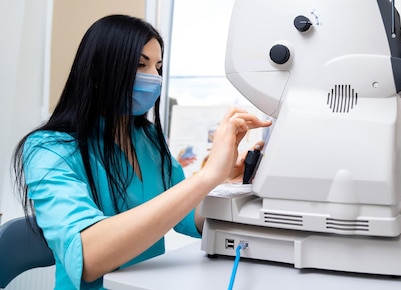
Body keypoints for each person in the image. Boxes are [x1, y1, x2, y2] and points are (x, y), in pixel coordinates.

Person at [11, 14, 271, 289]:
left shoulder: (148, 138)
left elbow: (187, 217)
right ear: (100, 70)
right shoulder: (48, 148)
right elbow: (88, 258)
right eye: (140, 65)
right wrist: (206, 176)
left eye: (158, 67)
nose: (154, 78)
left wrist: (222, 181)